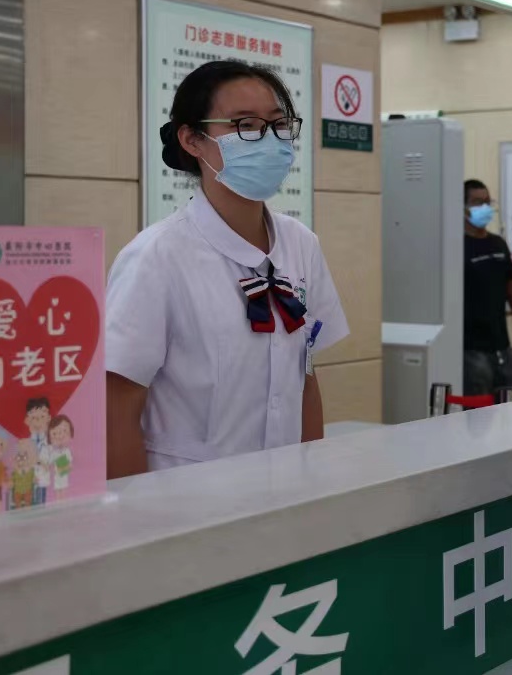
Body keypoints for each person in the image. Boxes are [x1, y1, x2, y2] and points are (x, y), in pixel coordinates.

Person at [105, 60, 348, 476]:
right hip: (185, 505)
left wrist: (312, 487)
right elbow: (115, 408)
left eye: (277, 124)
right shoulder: (156, 256)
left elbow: (305, 378)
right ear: (193, 140)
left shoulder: (300, 244)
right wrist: (136, 525)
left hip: (284, 495)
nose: (268, 140)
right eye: (245, 125)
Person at [463, 179, 512, 397]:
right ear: (463, 208)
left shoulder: (498, 244)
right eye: (477, 202)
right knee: (477, 419)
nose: (484, 208)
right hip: (471, 351)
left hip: (502, 347)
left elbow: (511, 289)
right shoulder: (457, 246)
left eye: (487, 202)